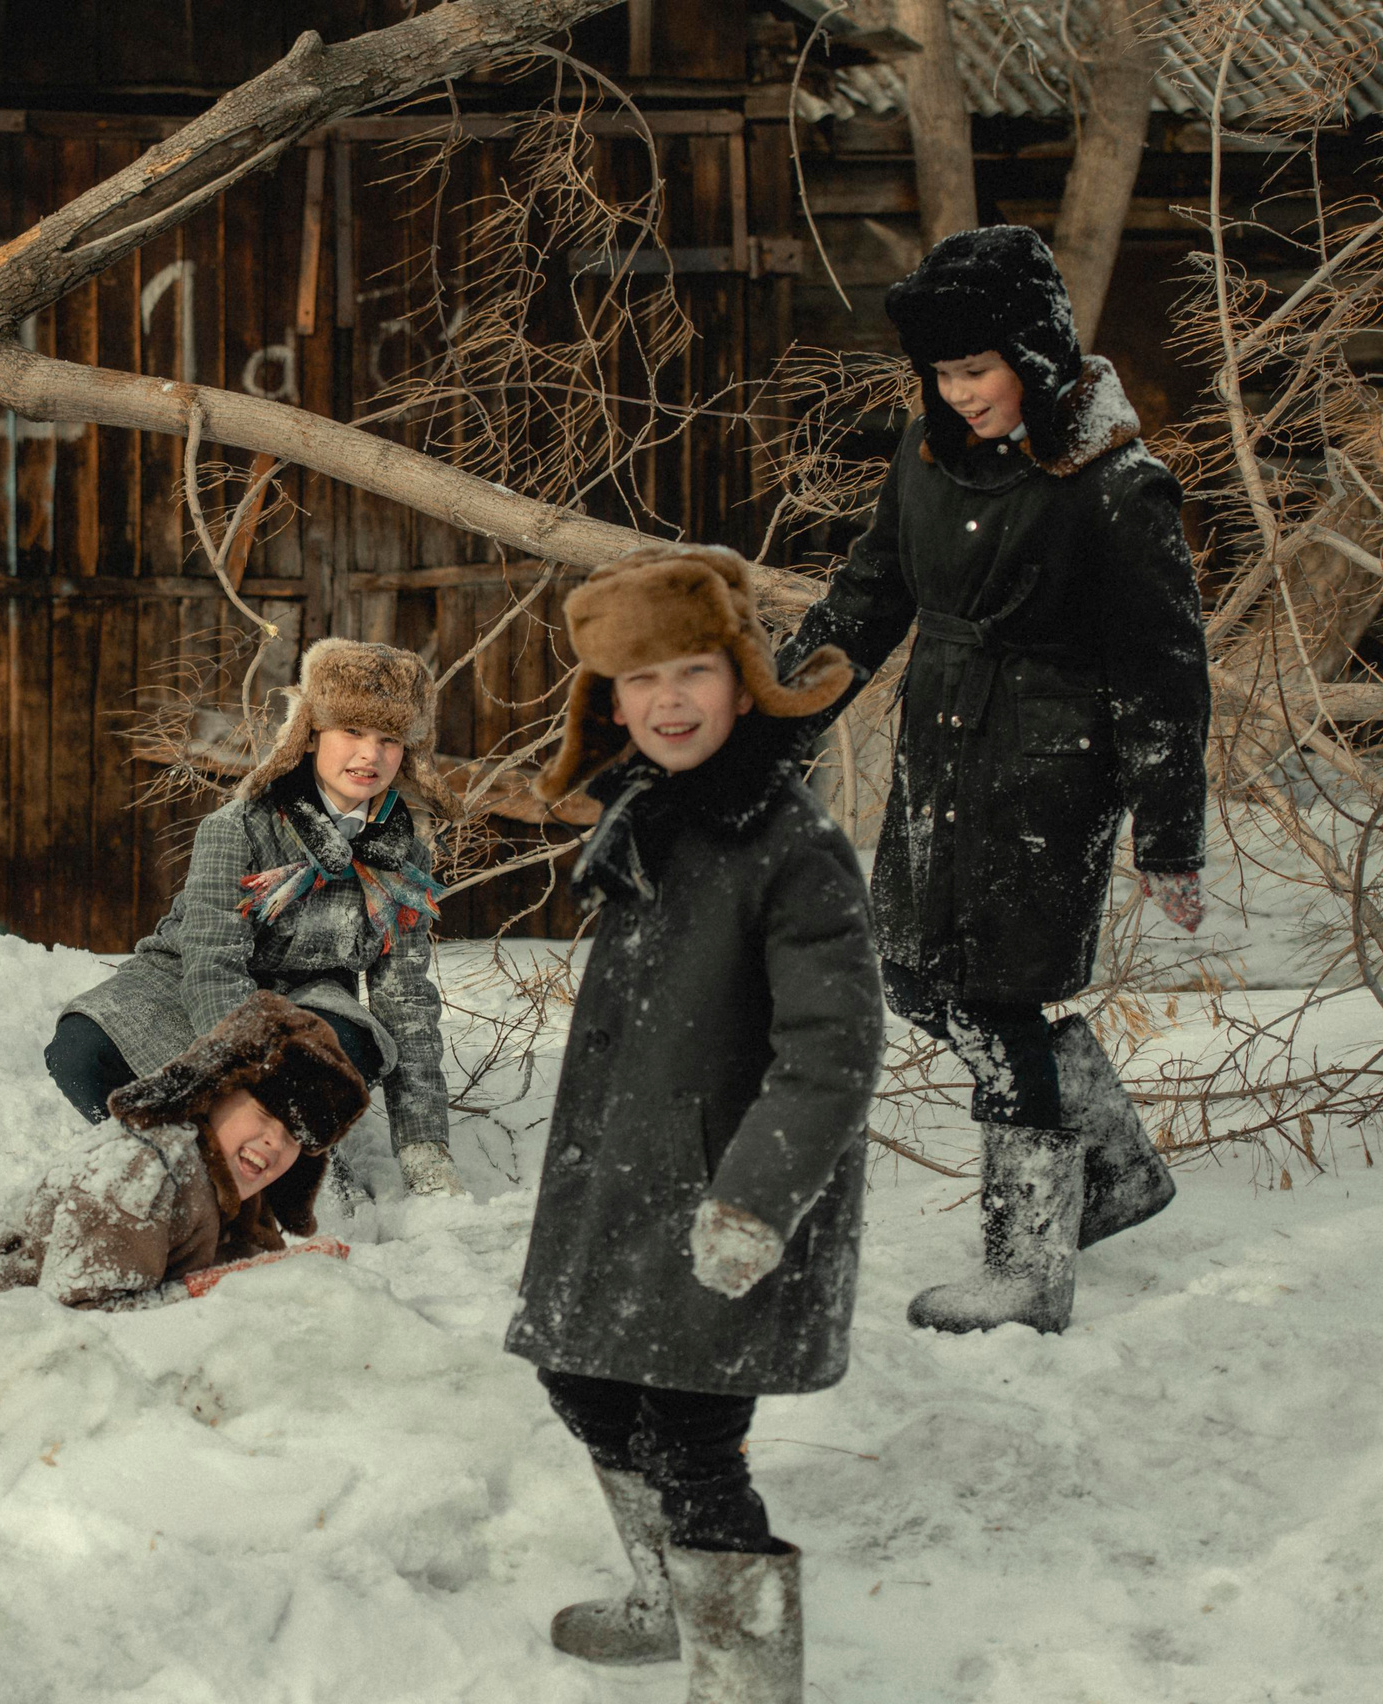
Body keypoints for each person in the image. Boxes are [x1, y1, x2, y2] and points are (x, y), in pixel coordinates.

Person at [777, 224, 1206, 1336]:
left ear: (1038, 354)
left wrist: (1167, 834)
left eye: (976, 369)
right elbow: (869, 596)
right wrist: (777, 721)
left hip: (1047, 777)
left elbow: (1163, 673)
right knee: (919, 977)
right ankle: (1110, 1172)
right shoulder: (925, 460)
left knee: (994, 995)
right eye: (942, 373)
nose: (958, 394)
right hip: (940, 755)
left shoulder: (1119, 487)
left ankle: (1025, 1259)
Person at [510, 545, 883, 1703]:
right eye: (639, 681)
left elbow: (831, 1045)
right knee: (580, 1378)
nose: (666, 702)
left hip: (725, 1197)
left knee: (692, 1440)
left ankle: (745, 1676)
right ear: (608, 702)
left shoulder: (787, 840)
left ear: (739, 678)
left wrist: (757, 1198)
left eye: (690, 672)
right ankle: (670, 1599)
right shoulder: (651, 816)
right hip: (624, 1181)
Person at [49, 639, 465, 1198]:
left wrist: (424, 1146)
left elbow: (406, 1001)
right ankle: (179, 1156)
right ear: (313, 731)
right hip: (188, 984)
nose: (370, 755)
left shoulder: (404, 856)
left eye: (388, 739)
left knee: (340, 1048)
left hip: (308, 1000)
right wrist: (240, 1079)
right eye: (352, 732)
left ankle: (298, 1171)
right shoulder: (240, 824)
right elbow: (213, 962)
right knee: (81, 1050)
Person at [0, 992, 368, 1310]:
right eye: (262, 1113)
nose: (275, 1141)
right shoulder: (138, 1174)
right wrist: (228, 1286)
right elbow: (81, 1318)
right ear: (215, 1089)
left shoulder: (237, 1192)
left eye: (294, 1137)